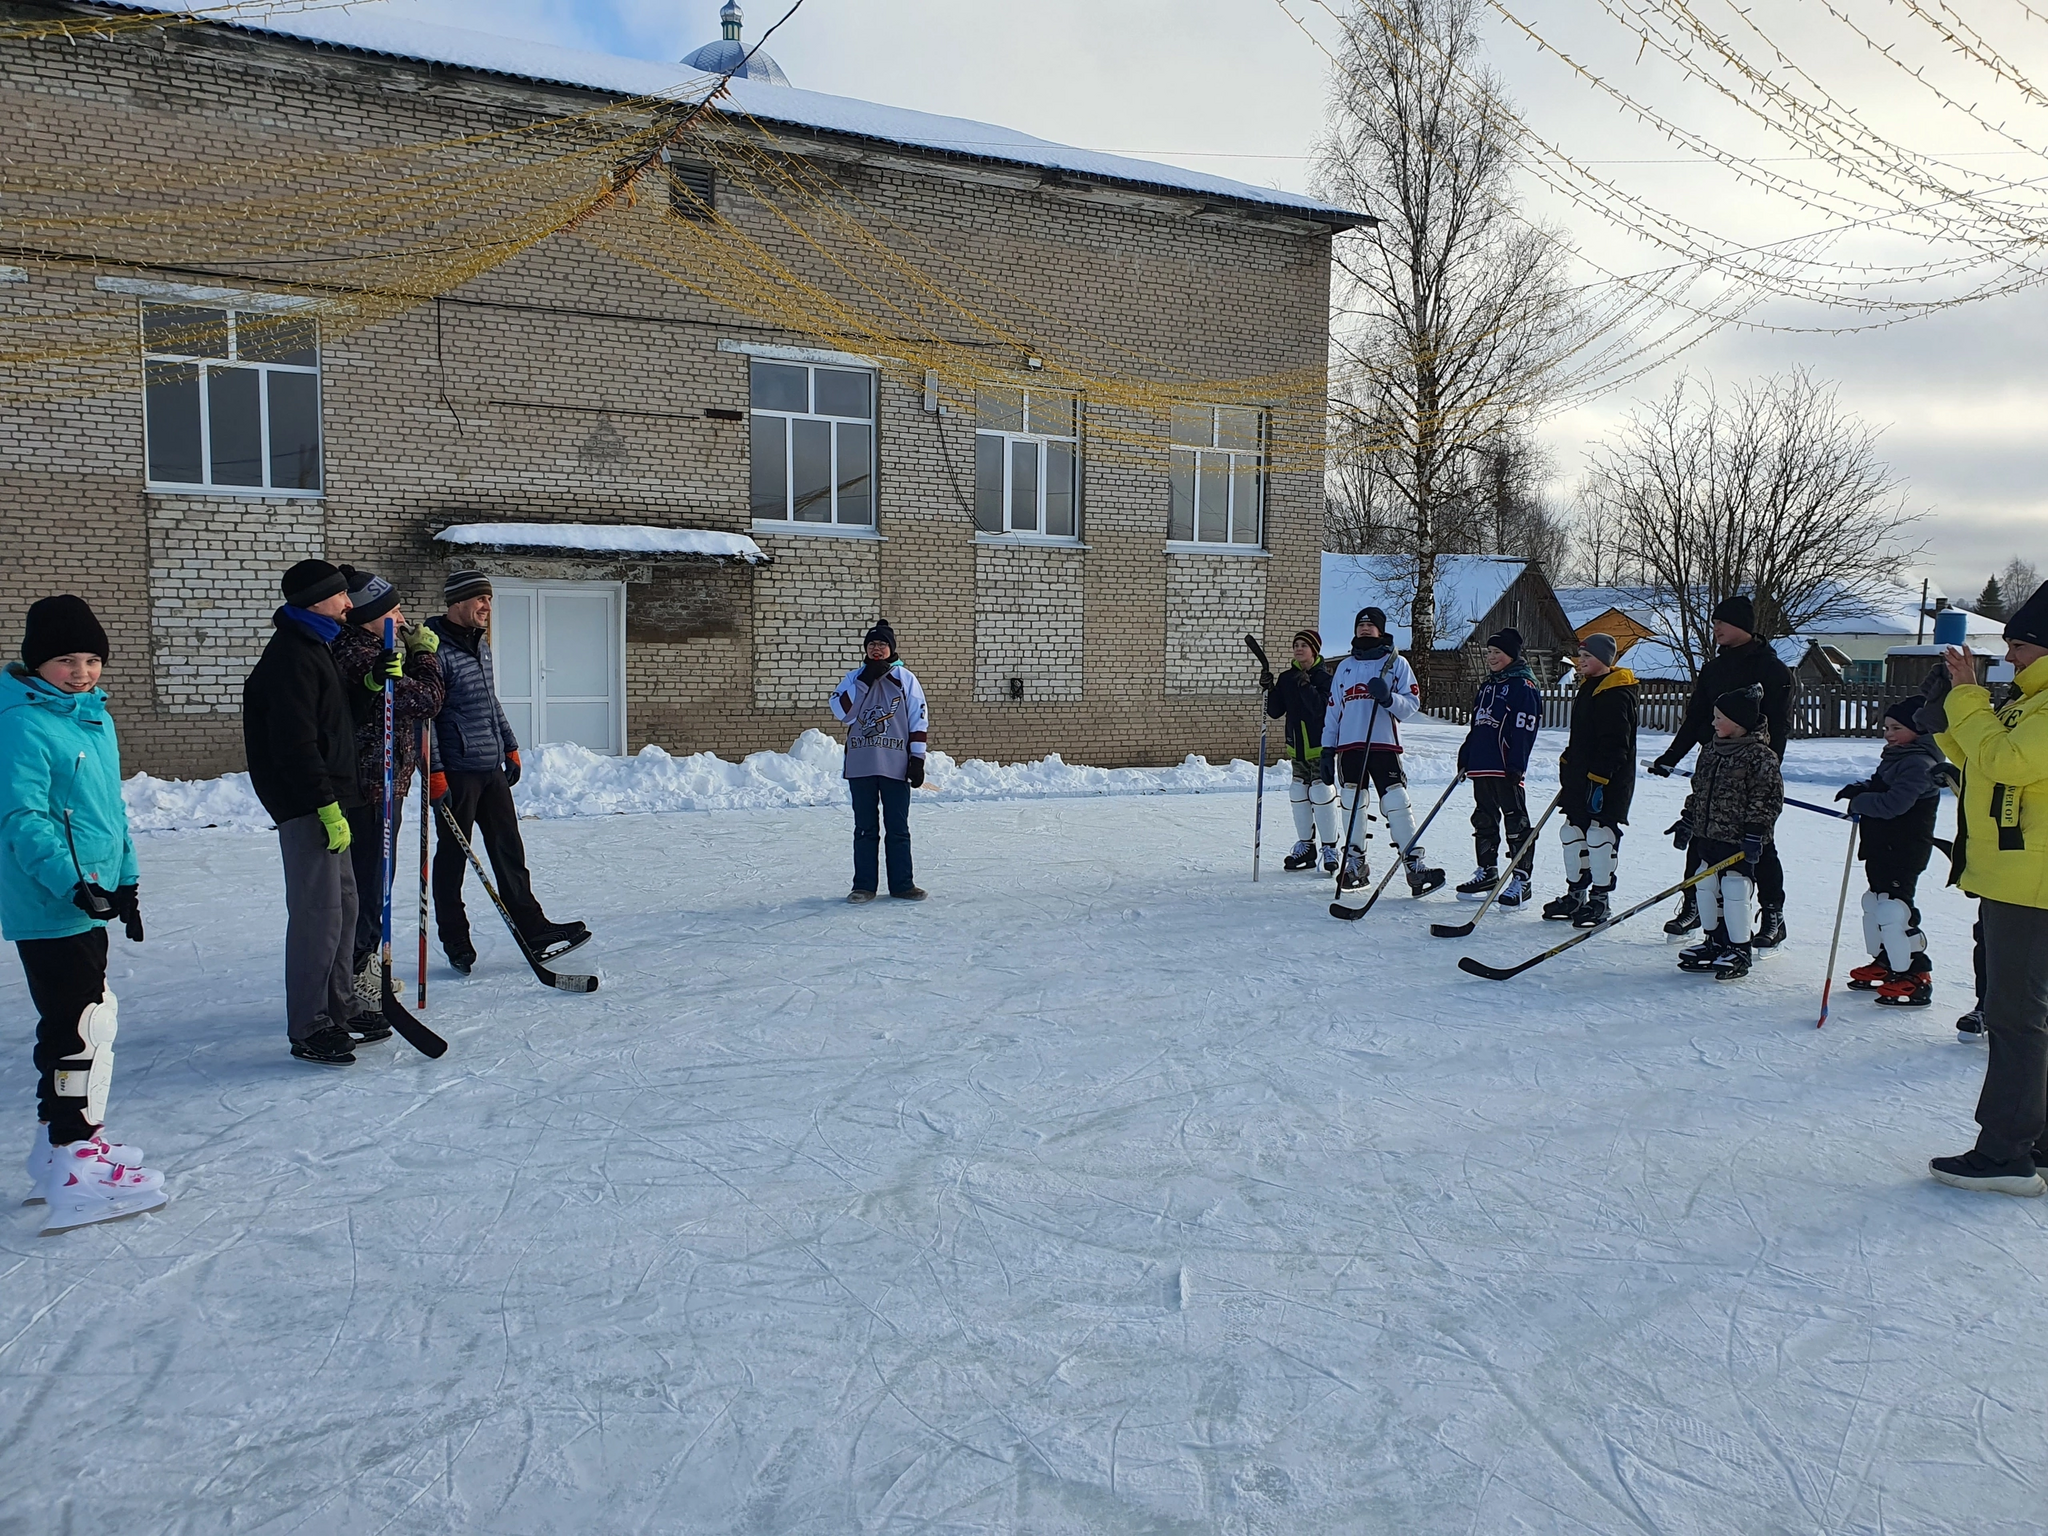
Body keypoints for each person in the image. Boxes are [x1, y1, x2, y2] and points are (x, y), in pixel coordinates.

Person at [2, 596, 165, 1233]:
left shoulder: (92, 719)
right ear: (36, 661)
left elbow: (109, 813)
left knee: (73, 1019)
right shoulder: (22, 722)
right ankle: (76, 1160)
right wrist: (73, 884)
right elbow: (24, 819)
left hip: (87, 897)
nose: (82, 671)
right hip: (49, 900)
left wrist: (124, 883)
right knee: (82, 1027)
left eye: (92, 659)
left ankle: (53, 1149)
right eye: (66, 660)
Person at [1925, 581, 2048, 1195]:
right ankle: (2037, 1140)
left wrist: (1968, 697)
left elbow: (2008, 765)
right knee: (2030, 1016)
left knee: (2016, 1019)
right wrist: (1947, 719)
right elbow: (1983, 762)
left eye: (2021, 645)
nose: (2010, 657)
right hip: (2018, 876)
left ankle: (2006, 1152)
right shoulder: (2029, 701)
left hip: (2033, 884)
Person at [244, 560, 372, 1065]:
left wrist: (366, 692)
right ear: (317, 599)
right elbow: (295, 746)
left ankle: (339, 1005)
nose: (348, 604)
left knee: (344, 909)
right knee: (318, 917)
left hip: (329, 802)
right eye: (341, 595)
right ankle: (310, 1024)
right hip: (309, 807)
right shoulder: (291, 657)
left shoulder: (315, 647)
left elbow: (331, 727)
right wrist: (322, 805)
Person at [426, 571, 587, 974]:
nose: (487, 607)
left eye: (490, 599)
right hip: (457, 772)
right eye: (480, 598)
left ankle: (533, 927)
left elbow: (488, 700)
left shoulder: (480, 647)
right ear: (458, 601)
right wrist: (435, 772)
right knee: (453, 859)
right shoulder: (431, 651)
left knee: (508, 851)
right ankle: (456, 941)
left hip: (489, 768)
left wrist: (509, 744)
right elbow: (423, 720)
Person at [332, 567, 444, 1030]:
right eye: (392, 610)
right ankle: (356, 968)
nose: (401, 616)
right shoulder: (359, 656)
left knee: (377, 875)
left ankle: (363, 960)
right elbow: (428, 700)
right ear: (369, 616)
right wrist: (424, 657)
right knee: (370, 878)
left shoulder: (372, 650)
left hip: (385, 782)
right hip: (369, 785)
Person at [1648, 595, 1793, 944]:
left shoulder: (1772, 670)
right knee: (1702, 836)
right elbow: (1696, 716)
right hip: (1713, 763)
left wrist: (1765, 770)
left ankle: (1772, 913)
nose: (1715, 628)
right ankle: (1695, 904)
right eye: (1714, 622)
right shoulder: (1714, 669)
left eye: (1721, 622)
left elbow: (1780, 725)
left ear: (1742, 625)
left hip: (1752, 769)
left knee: (1757, 844)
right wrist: (1672, 756)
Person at [1321, 607, 1443, 896]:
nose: (1364, 628)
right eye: (1360, 624)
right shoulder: (1345, 666)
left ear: (1380, 629)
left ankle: (1414, 865)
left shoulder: (1396, 663)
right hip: (1350, 746)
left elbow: (1412, 703)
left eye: (1370, 625)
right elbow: (1333, 710)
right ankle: (1355, 863)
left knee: (1397, 803)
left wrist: (1389, 698)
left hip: (1383, 744)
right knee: (1352, 803)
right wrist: (1327, 748)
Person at [1835, 699, 1945, 1008]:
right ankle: (1888, 961)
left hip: (1904, 848)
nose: (1888, 734)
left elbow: (1894, 803)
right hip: (1882, 846)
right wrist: (1860, 787)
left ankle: (1916, 974)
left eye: (1897, 728)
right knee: (1877, 902)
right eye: (1886, 727)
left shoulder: (1920, 763)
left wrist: (1860, 803)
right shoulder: (1899, 757)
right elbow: (1882, 786)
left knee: (1895, 910)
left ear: (1919, 729)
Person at [1672, 685, 1783, 981]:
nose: (1713, 723)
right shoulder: (1710, 750)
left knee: (1735, 889)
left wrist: (1755, 833)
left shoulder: (1760, 756)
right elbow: (1699, 791)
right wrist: (1688, 819)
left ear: (1738, 723)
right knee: (1707, 886)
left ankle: (1739, 948)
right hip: (1709, 836)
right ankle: (1715, 941)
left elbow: (1767, 799)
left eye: (1719, 718)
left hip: (1740, 840)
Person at [829, 619, 929, 902]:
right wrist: (864, 681)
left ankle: (902, 884)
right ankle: (863, 886)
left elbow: (918, 719)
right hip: (861, 764)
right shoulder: (853, 677)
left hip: (895, 764)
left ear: (891, 649)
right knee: (865, 828)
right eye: (872, 644)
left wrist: (917, 759)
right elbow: (844, 713)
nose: (877, 649)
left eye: (882, 644)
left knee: (898, 828)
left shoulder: (906, 679)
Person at [1546, 633, 1639, 927]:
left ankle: (1601, 898)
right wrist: (1569, 761)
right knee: (1572, 832)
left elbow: (1616, 744)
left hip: (1607, 782)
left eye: (1586, 657)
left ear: (1603, 660)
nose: (1580, 661)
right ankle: (1576, 893)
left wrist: (1599, 778)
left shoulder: (1616, 693)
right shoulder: (1589, 688)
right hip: (1580, 778)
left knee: (1600, 835)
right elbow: (1582, 736)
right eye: (1580, 656)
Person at [1455, 628, 1539, 904]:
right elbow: (1477, 725)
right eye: (1489, 652)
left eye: (1497, 653)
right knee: (1484, 819)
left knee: (1516, 820)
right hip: (1482, 764)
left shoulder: (1522, 686)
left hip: (1505, 767)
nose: (1491, 657)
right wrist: (1466, 754)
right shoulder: (1488, 685)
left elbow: (1524, 729)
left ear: (1511, 656)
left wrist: (1517, 764)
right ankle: (1488, 870)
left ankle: (1521, 877)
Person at [1262, 628, 1340, 873]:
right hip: (1297, 748)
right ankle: (1306, 847)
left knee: (1320, 791)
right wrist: (1270, 689)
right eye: (1295, 644)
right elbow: (1275, 711)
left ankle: (1330, 847)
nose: (1298, 648)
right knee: (1298, 793)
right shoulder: (1288, 677)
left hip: (1319, 747)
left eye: (1303, 645)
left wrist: (1304, 685)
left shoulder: (1325, 679)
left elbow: (1320, 709)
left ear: (1314, 650)